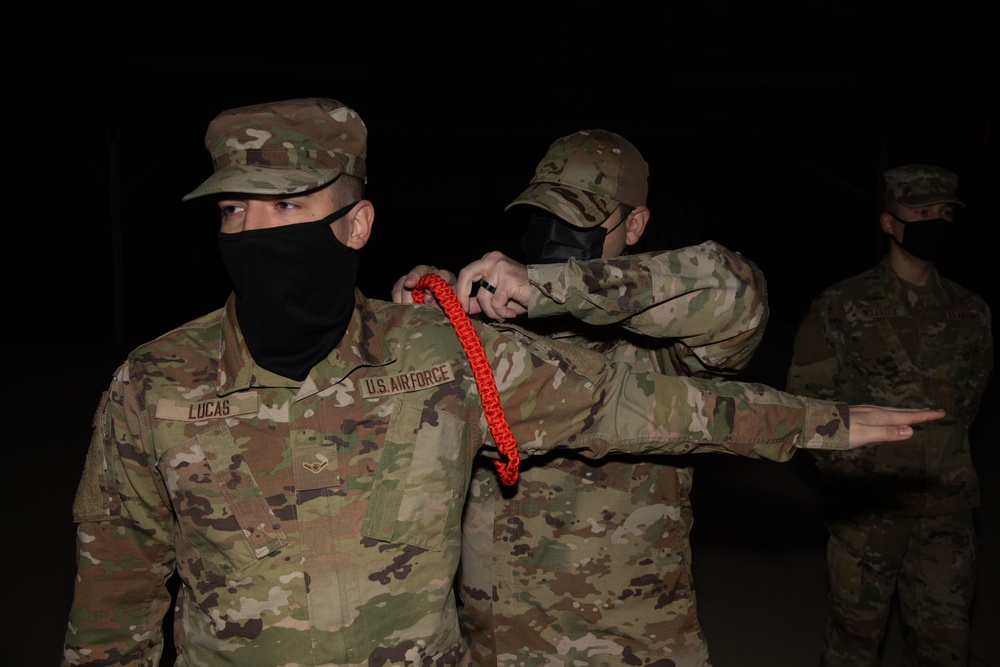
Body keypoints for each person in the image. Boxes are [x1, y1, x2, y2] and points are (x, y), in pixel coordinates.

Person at [60, 98, 943, 667]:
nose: (253, 230)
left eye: (286, 207)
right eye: (233, 209)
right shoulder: (161, 382)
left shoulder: (494, 344)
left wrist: (817, 422)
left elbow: (657, 386)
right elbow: (117, 586)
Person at [392, 128, 770, 666]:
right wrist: (414, 325)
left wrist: (552, 286)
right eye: (542, 216)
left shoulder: (661, 343)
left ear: (634, 224)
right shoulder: (487, 330)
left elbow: (738, 290)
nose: (553, 236)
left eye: (580, 219)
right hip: (498, 648)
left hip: (632, 648)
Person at [786, 163, 992, 666]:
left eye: (943, 212)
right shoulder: (840, 305)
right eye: (920, 212)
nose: (934, 222)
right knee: (855, 640)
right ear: (888, 222)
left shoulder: (971, 310)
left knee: (946, 642)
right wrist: (850, 477)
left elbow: (970, 402)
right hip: (869, 507)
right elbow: (806, 404)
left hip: (946, 505)